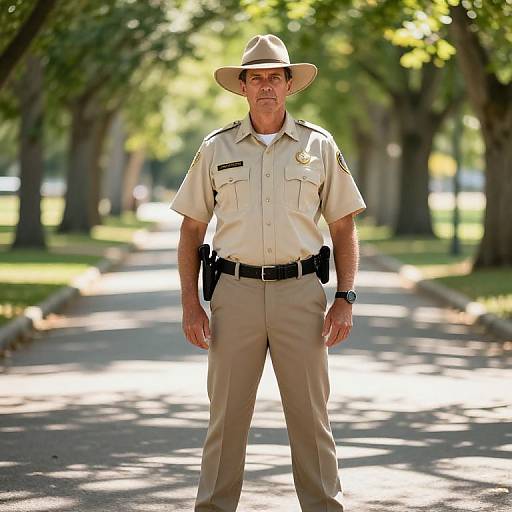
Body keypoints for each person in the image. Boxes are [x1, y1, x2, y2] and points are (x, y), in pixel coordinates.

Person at [170, 34, 366, 512]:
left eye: (274, 77)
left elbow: (343, 227)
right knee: (226, 420)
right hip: (233, 295)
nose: (265, 86)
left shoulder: (318, 146)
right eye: (255, 77)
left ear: (288, 86)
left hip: (301, 295)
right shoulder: (215, 148)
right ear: (242, 86)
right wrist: (191, 304)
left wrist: (345, 297)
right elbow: (191, 231)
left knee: (310, 418)